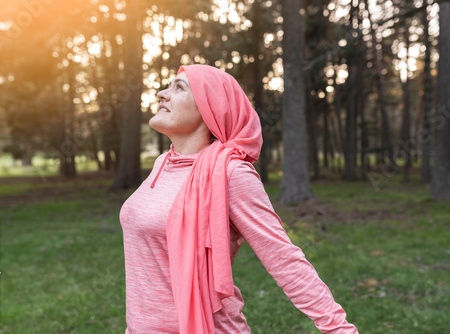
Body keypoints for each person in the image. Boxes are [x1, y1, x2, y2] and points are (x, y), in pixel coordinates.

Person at [119, 64, 358, 334]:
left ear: (209, 109)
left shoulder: (231, 173)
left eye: (179, 87)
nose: (162, 93)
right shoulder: (164, 163)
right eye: (168, 85)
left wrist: (339, 329)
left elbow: (283, 258)